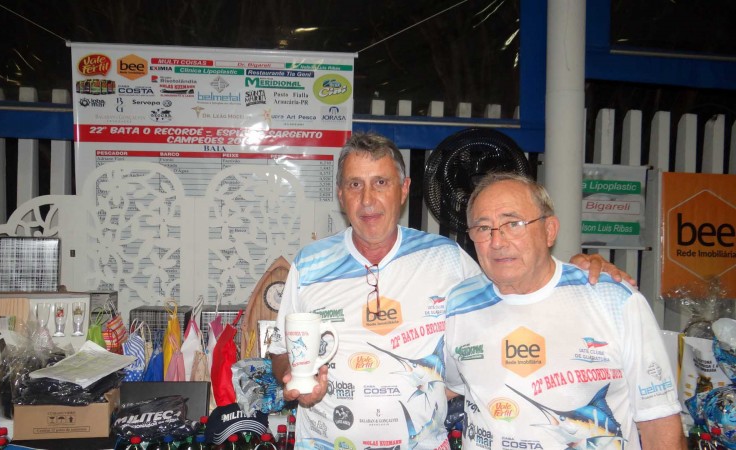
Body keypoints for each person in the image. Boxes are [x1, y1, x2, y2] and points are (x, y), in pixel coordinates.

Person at [268, 132, 634, 450]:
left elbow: (518, 289)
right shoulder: (310, 264)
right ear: (340, 194)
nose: (367, 199)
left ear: (404, 190)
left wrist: (577, 270)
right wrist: (291, 378)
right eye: (354, 185)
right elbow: (282, 350)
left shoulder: (446, 258)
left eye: (380, 183)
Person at [443, 172, 682, 450]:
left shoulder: (614, 300)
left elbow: (660, 425)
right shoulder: (459, 304)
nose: (497, 241)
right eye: (484, 228)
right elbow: (447, 385)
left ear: (549, 231)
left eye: (514, 224)